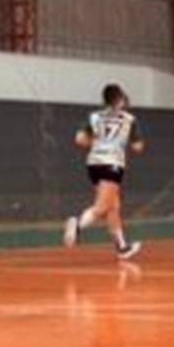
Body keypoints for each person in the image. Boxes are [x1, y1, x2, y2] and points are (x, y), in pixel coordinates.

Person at [63, 84, 144, 261]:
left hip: (93, 164)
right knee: (102, 206)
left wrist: (98, 142)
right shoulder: (129, 119)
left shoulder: (94, 117)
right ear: (120, 99)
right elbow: (138, 147)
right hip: (112, 164)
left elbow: (80, 139)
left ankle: (122, 247)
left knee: (113, 206)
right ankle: (77, 225)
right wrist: (129, 143)